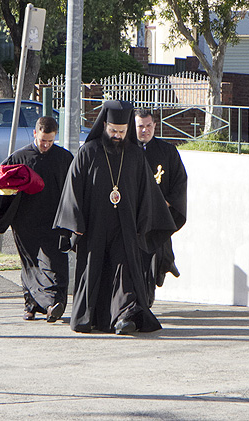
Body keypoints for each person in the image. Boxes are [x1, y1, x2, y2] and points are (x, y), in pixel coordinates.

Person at [54, 100, 176, 335]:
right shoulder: (88, 153)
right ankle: (89, 318)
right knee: (94, 271)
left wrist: (144, 223)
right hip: (93, 226)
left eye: (122, 131)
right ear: (105, 127)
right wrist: (76, 224)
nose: (118, 136)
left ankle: (124, 315)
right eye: (113, 131)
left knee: (125, 270)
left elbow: (147, 193)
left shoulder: (135, 155)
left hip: (125, 226)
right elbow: (72, 190)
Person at [0, 116, 73, 322]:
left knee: (55, 263)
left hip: (55, 221)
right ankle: (31, 305)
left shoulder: (64, 158)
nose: (46, 145)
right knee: (31, 264)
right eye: (42, 140)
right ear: (35, 134)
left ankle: (53, 305)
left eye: (50, 140)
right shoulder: (19, 157)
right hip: (25, 221)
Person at [135, 108, 187, 306]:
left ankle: (147, 298)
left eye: (149, 126)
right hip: (133, 216)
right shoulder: (126, 151)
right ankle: (167, 261)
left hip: (157, 215)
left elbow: (180, 182)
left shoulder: (167, 151)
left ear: (155, 126)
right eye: (140, 126)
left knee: (152, 256)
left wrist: (166, 202)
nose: (145, 130)